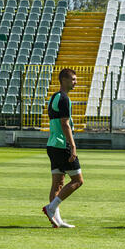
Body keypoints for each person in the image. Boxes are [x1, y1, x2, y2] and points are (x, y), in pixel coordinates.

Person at [42, 68, 82, 228]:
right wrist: (72, 145)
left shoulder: (54, 97)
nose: (75, 82)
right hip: (61, 145)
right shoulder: (64, 98)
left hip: (52, 145)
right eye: (73, 79)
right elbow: (65, 124)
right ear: (64, 79)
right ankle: (50, 208)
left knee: (58, 184)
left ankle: (56, 220)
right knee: (78, 180)